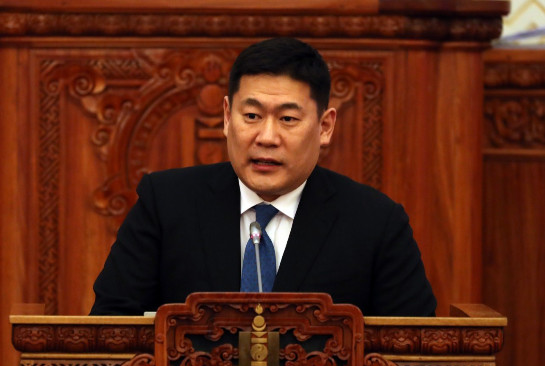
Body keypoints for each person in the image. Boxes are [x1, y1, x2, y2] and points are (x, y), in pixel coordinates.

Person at [90, 38, 436, 316]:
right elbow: (109, 329)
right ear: (228, 117)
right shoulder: (165, 204)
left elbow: (413, 351)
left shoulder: (376, 223)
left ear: (325, 127)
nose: (267, 137)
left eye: (288, 119)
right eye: (252, 116)